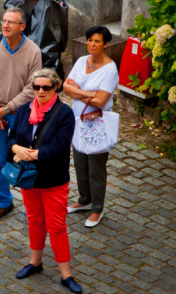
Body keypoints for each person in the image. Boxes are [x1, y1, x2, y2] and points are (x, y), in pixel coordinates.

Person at [6, 69, 82, 294]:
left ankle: (66, 275)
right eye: (36, 87)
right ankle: (35, 263)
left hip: (53, 179)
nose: (40, 91)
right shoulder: (23, 111)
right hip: (30, 179)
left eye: (46, 87)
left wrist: (30, 154)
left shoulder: (64, 113)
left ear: (55, 88)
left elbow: (59, 148)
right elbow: (10, 138)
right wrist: (16, 148)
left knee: (57, 226)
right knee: (35, 220)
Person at [0, 8, 42, 221]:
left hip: (21, 116)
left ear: (22, 27)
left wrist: (5, 110)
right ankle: (4, 202)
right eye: (3, 21)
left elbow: (32, 89)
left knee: (25, 160)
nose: (5, 25)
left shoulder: (33, 51)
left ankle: (31, 206)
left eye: (11, 22)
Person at [64, 25, 119, 228]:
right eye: (89, 40)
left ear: (106, 44)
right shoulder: (80, 61)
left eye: (96, 41)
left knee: (96, 168)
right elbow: (65, 87)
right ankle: (84, 200)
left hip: (97, 123)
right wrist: (90, 93)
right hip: (77, 120)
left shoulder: (110, 69)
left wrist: (79, 91)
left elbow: (100, 101)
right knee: (80, 163)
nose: (92, 44)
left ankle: (97, 209)